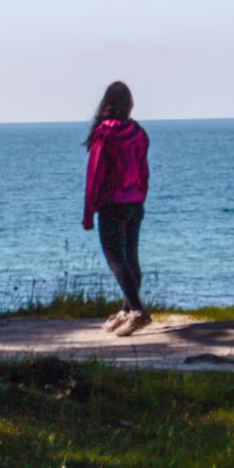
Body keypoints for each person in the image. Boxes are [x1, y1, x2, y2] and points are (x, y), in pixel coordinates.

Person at [82, 81, 151, 335]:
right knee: (131, 257)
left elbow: (95, 175)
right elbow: (144, 172)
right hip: (134, 202)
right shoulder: (139, 133)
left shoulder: (105, 133)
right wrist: (140, 198)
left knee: (116, 259)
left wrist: (89, 212)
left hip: (112, 204)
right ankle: (125, 311)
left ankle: (137, 310)